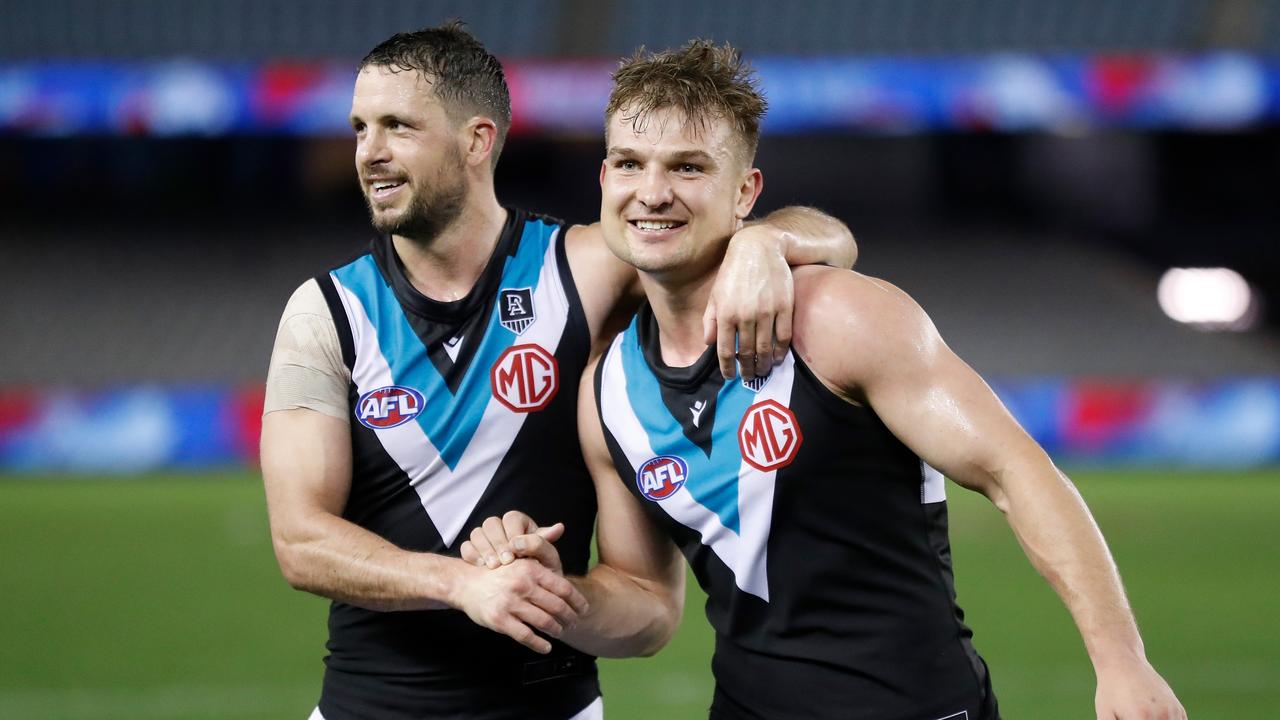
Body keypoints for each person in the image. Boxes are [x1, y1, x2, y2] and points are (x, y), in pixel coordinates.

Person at [461, 41, 1187, 720]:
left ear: (745, 191)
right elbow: (647, 604)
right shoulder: (606, 393)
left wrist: (1120, 659)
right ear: (604, 178)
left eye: (687, 168)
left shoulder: (838, 318)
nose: (652, 192)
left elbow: (1014, 470)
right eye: (629, 164)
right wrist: (557, 595)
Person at [258, 23, 856, 720]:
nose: (369, 153)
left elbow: (835, 242)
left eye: (398, 127)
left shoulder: (585, 269)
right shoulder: (326, 313)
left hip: (554, 705)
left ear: (478, 141)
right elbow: (300, 540)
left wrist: (765, 240)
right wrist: (464, 586)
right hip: (368, 707)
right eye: (361, 128)